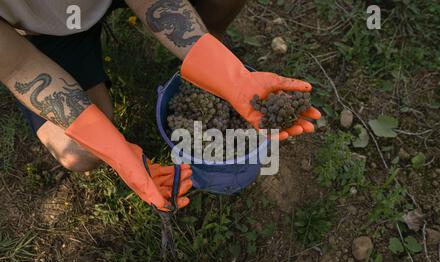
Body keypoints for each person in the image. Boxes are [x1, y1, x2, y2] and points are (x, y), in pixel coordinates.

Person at [0, 0, 321, 212]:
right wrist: (119, 152)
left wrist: (230, 75)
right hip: (40, 35)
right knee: (80, 150)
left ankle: (206, 57)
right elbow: (17, 66)